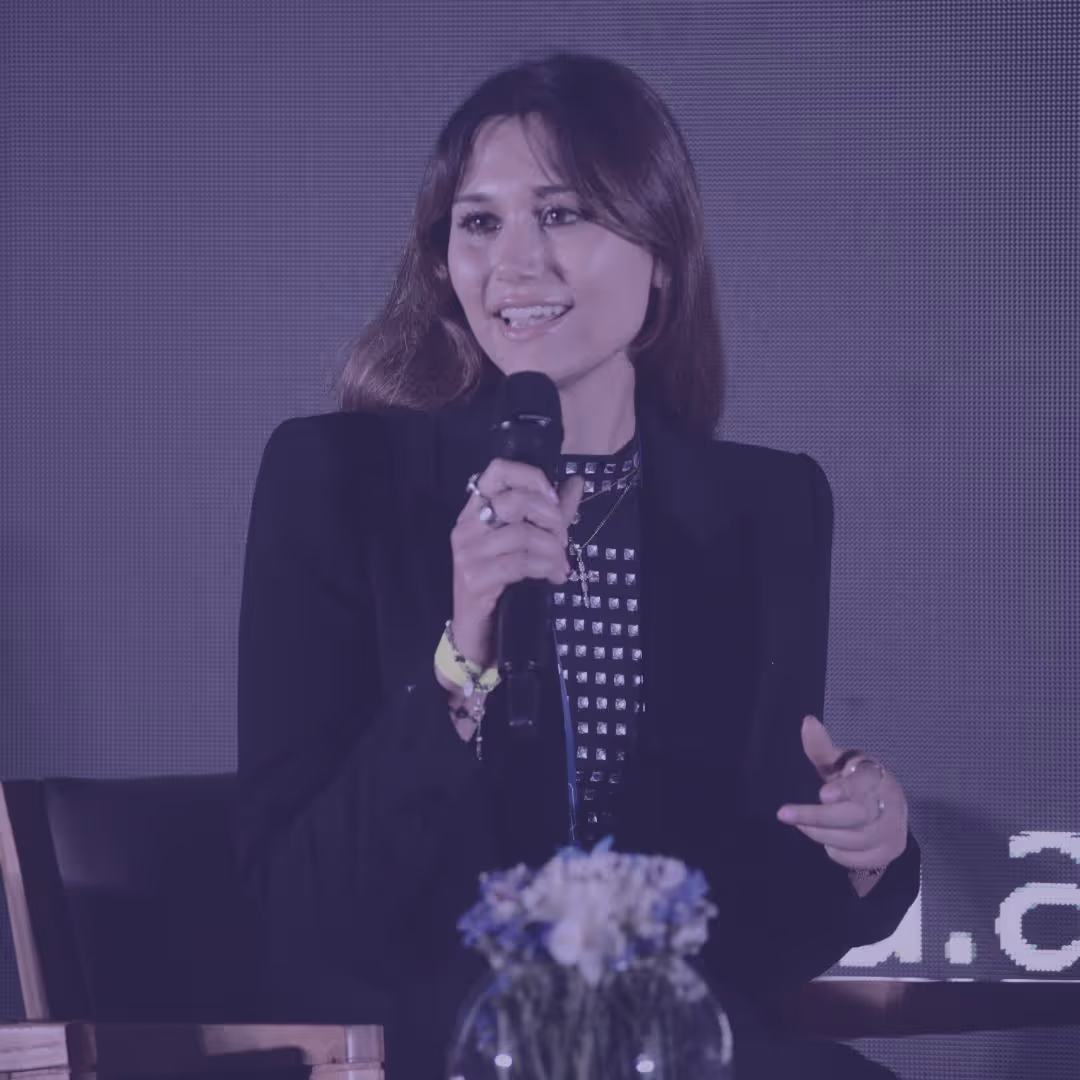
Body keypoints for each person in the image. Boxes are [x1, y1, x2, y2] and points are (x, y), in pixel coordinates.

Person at [234, 52, 920, 1079]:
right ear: (444, 263)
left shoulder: (766, 511)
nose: (517, 263)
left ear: (663, 255)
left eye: (562, 215)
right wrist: (460, 658)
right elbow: (300, 919)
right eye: (480, 222)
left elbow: (755, 935)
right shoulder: (337, 485)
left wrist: (866, 853)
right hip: (432, 1035)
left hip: (673, 1040)